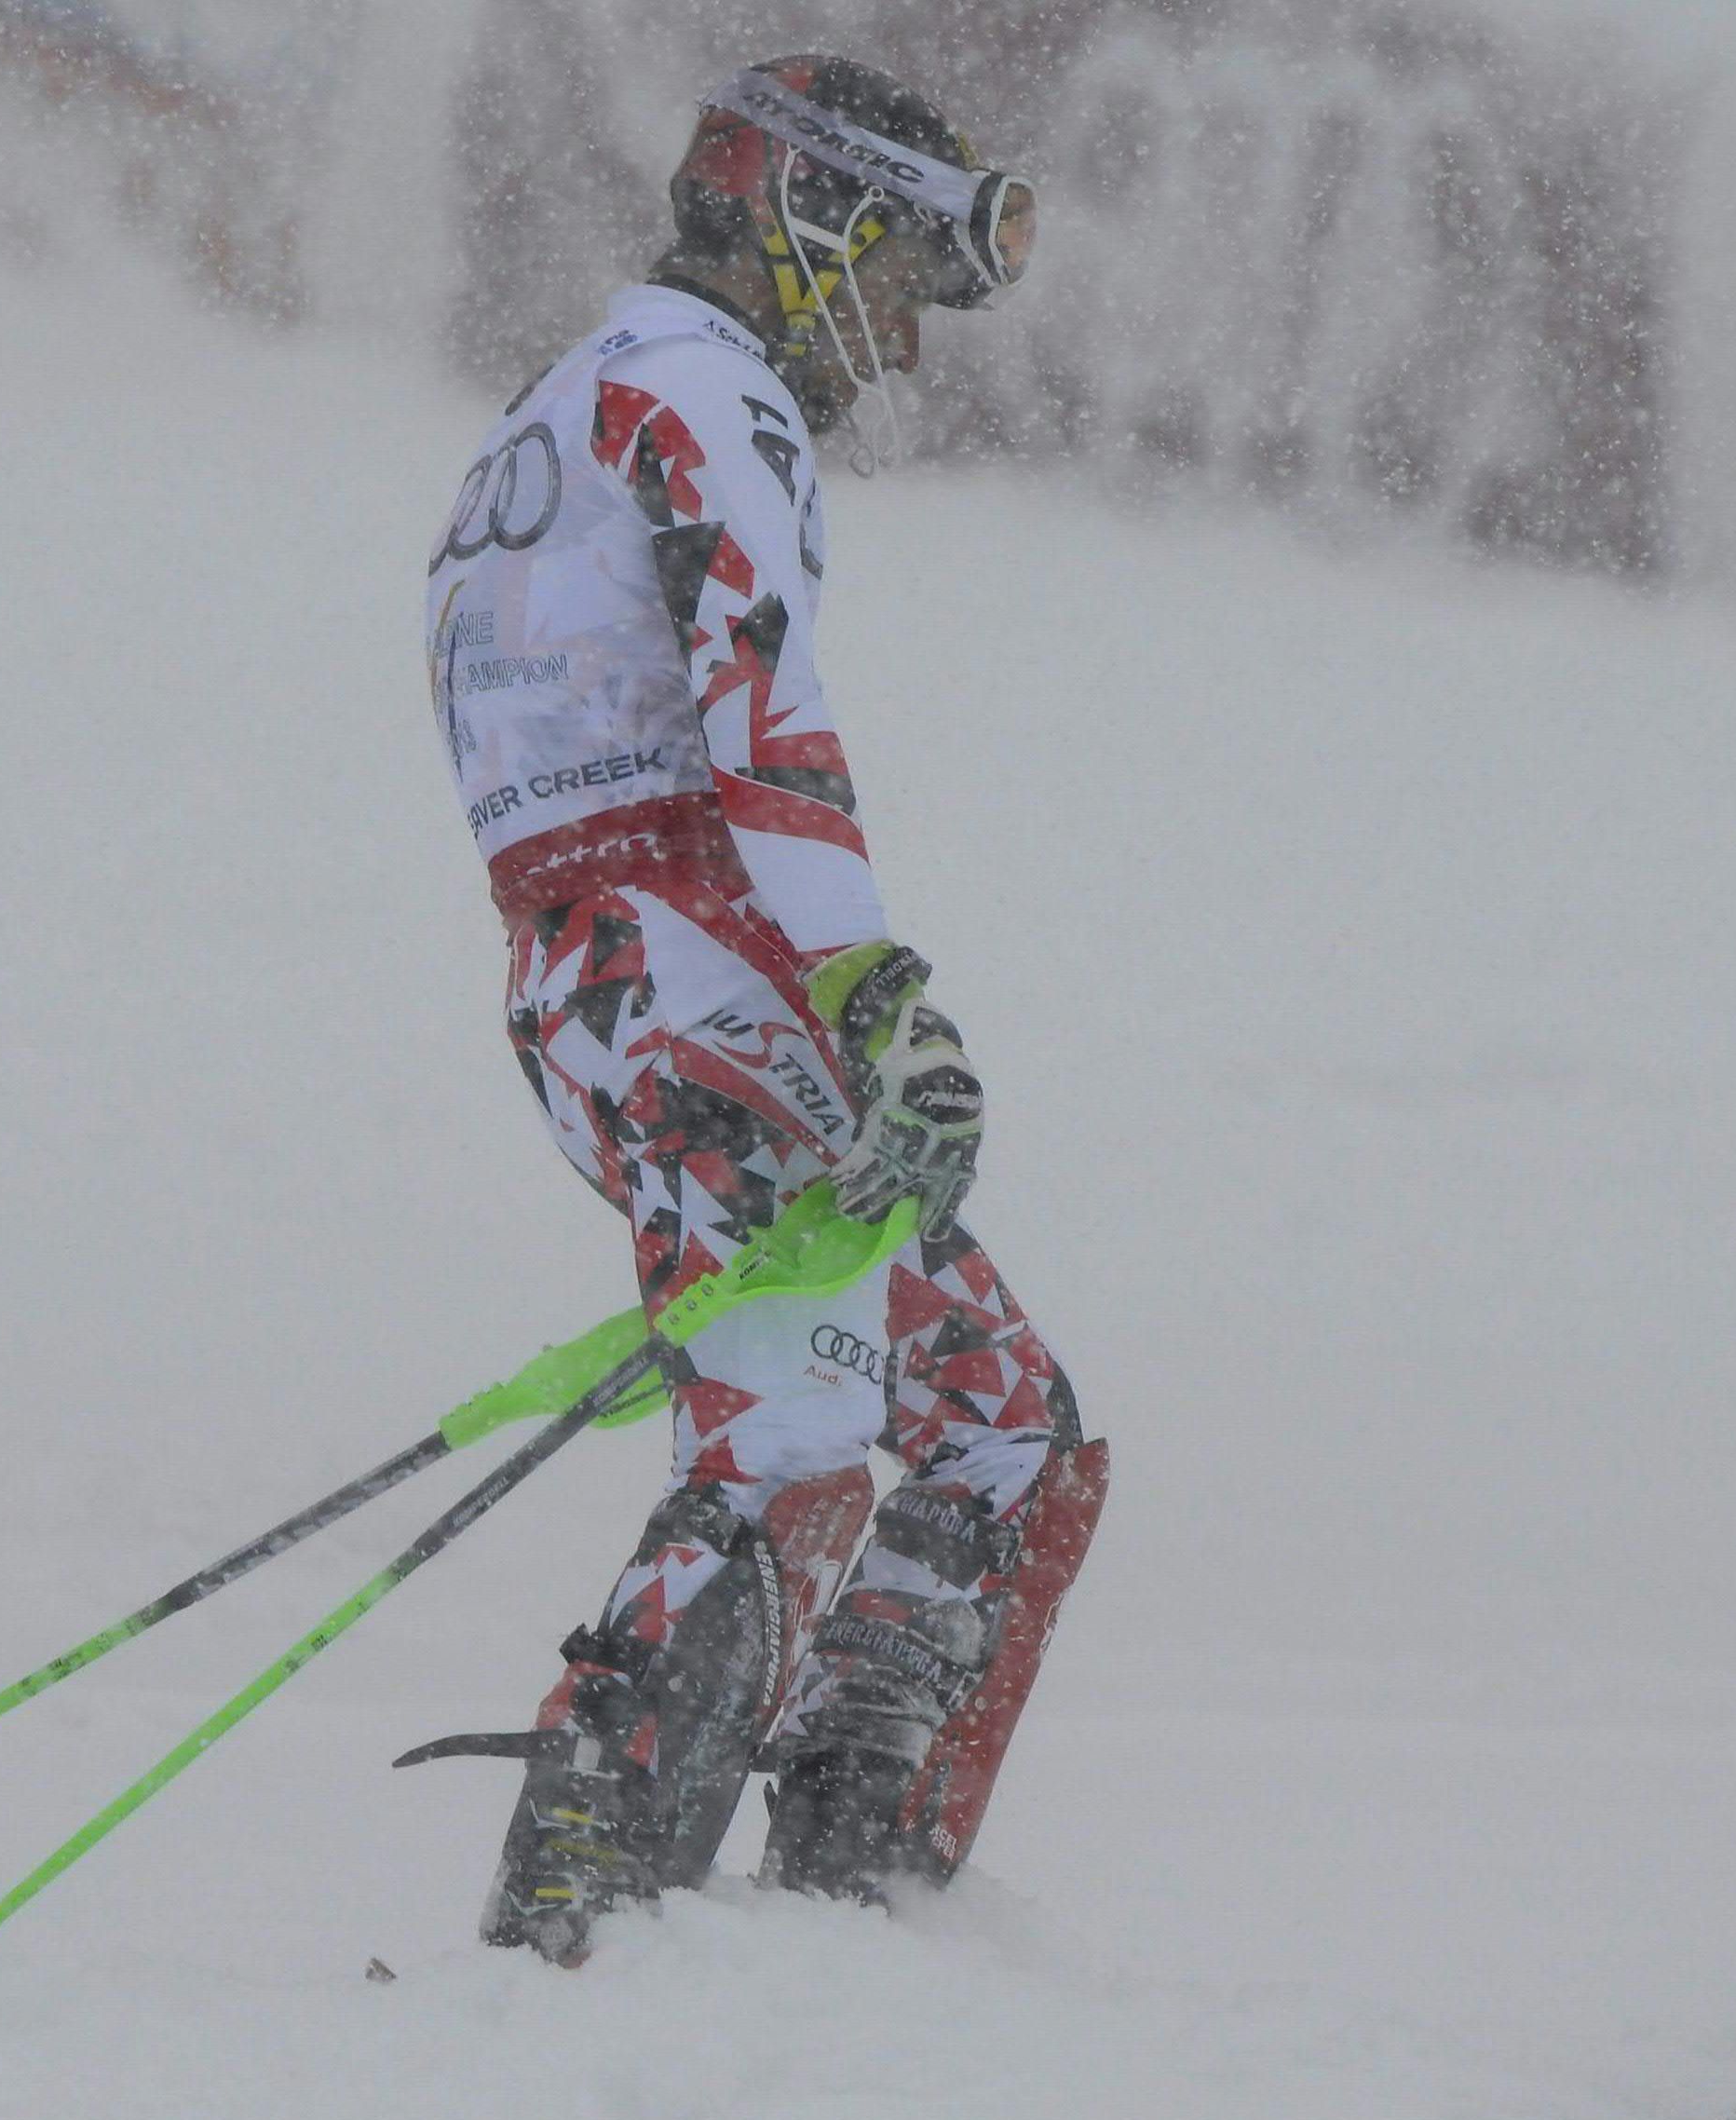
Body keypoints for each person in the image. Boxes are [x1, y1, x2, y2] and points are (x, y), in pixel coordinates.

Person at [411, 54, 1108, 1966]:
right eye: (892, 282)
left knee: (1000, 1424)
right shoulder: (708, 398)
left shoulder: (556, 409)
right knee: (800, 1447)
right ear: (811, 219)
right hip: (695, 970)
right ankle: (577, 1933)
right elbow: (764, 724)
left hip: (601, 977)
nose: (898, 345)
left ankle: (848, 1918)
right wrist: (885, 1002)